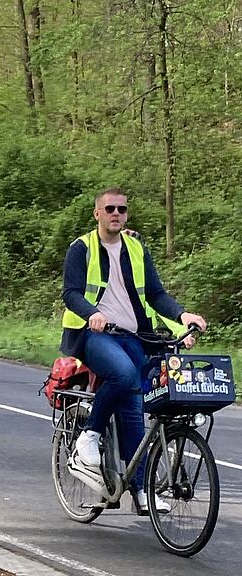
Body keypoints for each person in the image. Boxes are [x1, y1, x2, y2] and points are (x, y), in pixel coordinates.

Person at [63, 187, 207, 515]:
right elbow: (70, 293)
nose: (116, 214)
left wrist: (182, 316)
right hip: (90, 334)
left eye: (122, 209)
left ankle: (141, 491)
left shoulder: (136, 247)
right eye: (110, 208)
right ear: (97, 213)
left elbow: (155, 294)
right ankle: (89, 436)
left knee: (134, 409)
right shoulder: (81, 248)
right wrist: (92, 313)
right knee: (126, 375)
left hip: (133, 336)